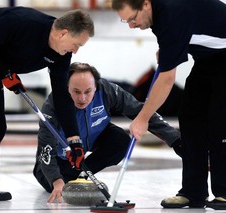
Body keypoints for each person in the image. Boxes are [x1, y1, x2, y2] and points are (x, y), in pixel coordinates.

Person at [0, 7, 94, 208]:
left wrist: (75, 140)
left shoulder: (61, 54)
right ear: (63, 33)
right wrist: (5, 72)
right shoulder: (22, 22)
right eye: (76, 44)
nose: (75, 51)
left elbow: (61, 97)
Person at [112, 0, 226, 210]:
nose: (131, 25)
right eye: (125, 21)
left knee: (220, 122)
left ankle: (224, 192)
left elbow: (166, 80)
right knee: (190, 118)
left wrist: (143, 118)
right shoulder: (159, 15)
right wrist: (168, 49)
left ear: (145, 4)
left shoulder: (171, 13)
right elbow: (182, 32)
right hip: (208, 59)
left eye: (132, 18)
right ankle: (193, 192)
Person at [33, 62, 182, 203]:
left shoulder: (106, 90)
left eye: (88, 91)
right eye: (76, 92)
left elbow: (141, 111)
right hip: (56, 162)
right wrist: (56, 180)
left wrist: (175, 139)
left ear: (96, 87)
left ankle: (82, 174)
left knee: (120, 140)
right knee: (59, 183)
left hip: (89, 143)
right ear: (67, 87)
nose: (82, 98)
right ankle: (70, 176)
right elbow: (46, 149)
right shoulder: (53, 104)